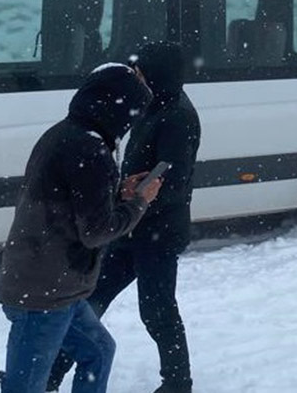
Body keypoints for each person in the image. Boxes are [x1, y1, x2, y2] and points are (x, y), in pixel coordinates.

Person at [0, 64, 161, 393]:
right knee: (25, 387)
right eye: (133, 113)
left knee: (98, 352)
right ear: (117, 108)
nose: (132, 123)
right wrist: (140, 201)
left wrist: (118, 193)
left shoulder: (67, 133)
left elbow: (71, 202)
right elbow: (97, 231)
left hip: (54, 283)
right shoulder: (90, 149)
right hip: (44, 292)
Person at [48, 43, 201, 393]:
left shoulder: (177, 116)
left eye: (141, 71)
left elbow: (173, 181)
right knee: (90, 301)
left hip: (157, 231)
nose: (137, 77)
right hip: (131, 225)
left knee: (157, 310)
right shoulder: (155, 103)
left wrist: (133, 194)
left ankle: (178, 383)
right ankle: (51, 375)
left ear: (158, 74)